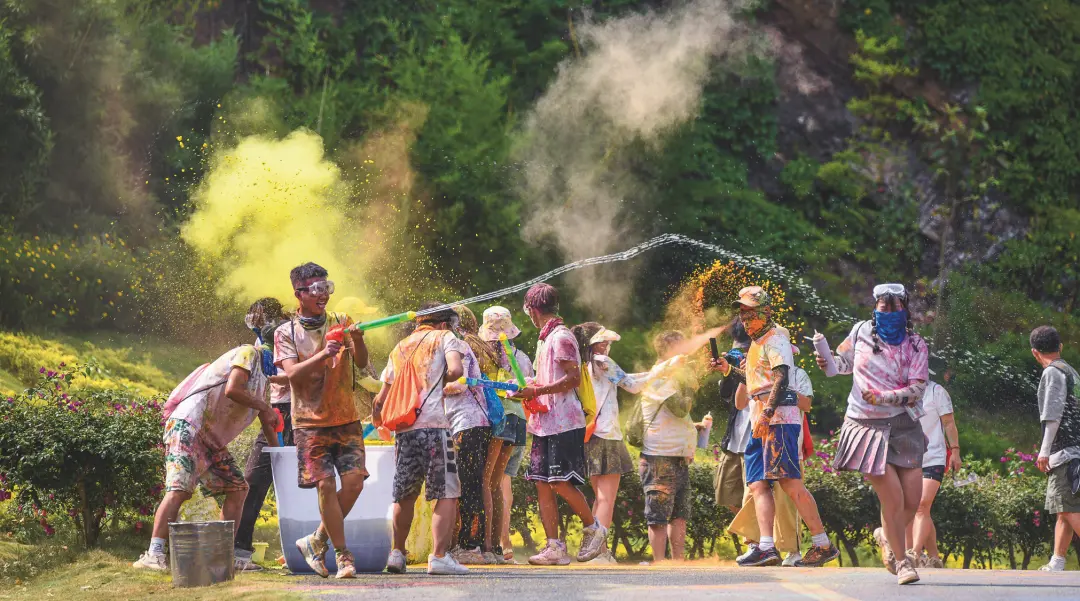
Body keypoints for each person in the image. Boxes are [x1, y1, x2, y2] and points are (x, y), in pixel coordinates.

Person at [133, 300, 281, 572]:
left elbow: (267, 417)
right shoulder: (248, 353)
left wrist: (279, 457)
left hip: (211, 439)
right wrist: (264, 407)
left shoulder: (268, 374)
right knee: (179, 490)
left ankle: (221, 556)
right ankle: (153, 554)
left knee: (238, 489)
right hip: (189, 426)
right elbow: (233, 390)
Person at [714, 288, 837, 569]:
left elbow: (781, 378)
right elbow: (756, 380)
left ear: (767, 311)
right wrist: (726, 369)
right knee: (757, 483)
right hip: (761, 418)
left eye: (751, 311)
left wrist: (768, 412)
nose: (745, 317)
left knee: (790, 483)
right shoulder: (756, 343)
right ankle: (766, 547)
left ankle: (823, 545)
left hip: (778, 418)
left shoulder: (776, 338)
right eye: (742, 312)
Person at [815, 283, 928, 585]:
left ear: (905, 309)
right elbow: (842, 365)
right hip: (865, 425)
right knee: (892, 499)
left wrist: (885, 397)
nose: (889, 313)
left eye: (895, 307)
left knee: (912, 500)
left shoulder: (916, 344)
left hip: (904, 424)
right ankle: (902, 562)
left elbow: (918, 389)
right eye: (883, 307)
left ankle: (886, 536)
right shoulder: (860, 332)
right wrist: (827, 362)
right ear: (875, 308)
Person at [276, 263, 370, 579]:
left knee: (355, 482)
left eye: (326, 288)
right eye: (315, 290)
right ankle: (344, 557)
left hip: (346, 416)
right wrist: (324, 354)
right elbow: (291, 374)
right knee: (326, 485)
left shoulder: (342, 321)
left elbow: (362, 362)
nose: (322, 296)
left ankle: (317, 538)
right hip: (309, 421)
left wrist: (357, 339)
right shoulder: (285, 332)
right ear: (299, 294)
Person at [515, 283, 608, 565]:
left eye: (528, 311)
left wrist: (538, 391)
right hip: (543, 422)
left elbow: (572, 379)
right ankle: (554, 547)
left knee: (559, 481)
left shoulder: (561, 337)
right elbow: (547, 379)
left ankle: (595, 528)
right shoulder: (544, 339)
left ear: (533, 310)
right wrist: (527, 387)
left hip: (565, 423)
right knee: (542, 483)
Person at [375, 302, 470, 576]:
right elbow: (455, 370)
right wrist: (439, 383)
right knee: (447, 491)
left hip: (404, 430)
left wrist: (379, 421)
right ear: (443, 323)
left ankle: (396, 553)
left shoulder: (401, 346)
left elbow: (381, 398)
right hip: (434, 427)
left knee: (405, 493)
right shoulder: (445, 337)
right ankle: (439, 556)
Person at [726, 343, 821, 567]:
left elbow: (806, 404)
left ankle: (792, 550)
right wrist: (745, 375)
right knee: (754, 491)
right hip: (759, 438)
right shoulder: (754, 374)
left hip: (787, 440)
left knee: (786, 497)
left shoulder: (798, 374)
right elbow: (740, 404)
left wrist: (778, 391)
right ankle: (760, 546)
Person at [572, 322, 649, 564]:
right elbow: (633, 386)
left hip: (591, 435)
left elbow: (626, 379)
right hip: (606, 436)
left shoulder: (587, 365)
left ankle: (597, 549)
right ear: (591, 345)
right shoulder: (601, 362)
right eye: (601, 341)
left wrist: (660, 370)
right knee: (606, 498)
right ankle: (597, 552)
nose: (606, 346)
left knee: (599, 497)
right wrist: (664, 372)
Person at [234, 298, 291, 571]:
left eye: (256, 315)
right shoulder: (259, 344)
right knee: (254, 480)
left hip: (300, 412)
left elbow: (311, 371)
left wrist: (287, 378)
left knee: (303, 482)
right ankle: (239, 551)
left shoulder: (291, 332)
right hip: (273, 412)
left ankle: (303, 547)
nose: (252, 320)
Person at [479, 306, 535, 564]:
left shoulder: (483, 356)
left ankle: (493, 543)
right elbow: (529, 386)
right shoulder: (520, 356)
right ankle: (506, 543)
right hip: (519, 420)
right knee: (505, 483)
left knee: (489, 480)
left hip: (496, 418)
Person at [638, 331, 699, 563]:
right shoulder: (659, 377)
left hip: (677, 456)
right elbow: (680, 409)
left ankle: (678, 562)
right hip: (659, 457)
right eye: (679, 348)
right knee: (658, 516)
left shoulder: (673, 378)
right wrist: (692, 386)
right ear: (665, 352)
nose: (685, 353)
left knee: (679, 515)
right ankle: (660, 564)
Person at [444, 306, 494, 565]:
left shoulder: (459, 346)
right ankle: (476, 546)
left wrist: (431, 387)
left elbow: (458, 383)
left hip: (469, 424)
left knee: (469, 484)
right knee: (470, 483)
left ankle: (470, 546)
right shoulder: (460, 345)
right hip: (469, 423)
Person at [1030, 326, 1080, 573]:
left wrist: (1044, 451)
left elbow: (1053, 414)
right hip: (1076, 451)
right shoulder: (1071, 372)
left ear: (1035, 352)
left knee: (1066, 506)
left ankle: (1057, 562)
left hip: (1065, 453)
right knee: (1066, 509)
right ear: (1060, 347)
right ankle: (1057, 562)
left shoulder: (1052, 372)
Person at [908, 379, 961, 568]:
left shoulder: (936, 391)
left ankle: (913, 553)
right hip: (907, 457)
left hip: (934, 456)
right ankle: (934, 557)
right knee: (913, 507)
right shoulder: (900, 389)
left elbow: (949, 423)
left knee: (921, 505)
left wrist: (955, 451)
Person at [714, 320, 752, 516]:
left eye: (745, 351)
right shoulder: (734, 365)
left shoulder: (770, 365)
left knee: (753, 495)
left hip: (754, 441)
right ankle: (757, 539)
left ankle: (761, 541)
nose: (740, 355)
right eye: (737, 351)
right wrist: (729, 372)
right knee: (725, 494)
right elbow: (727, 395)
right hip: (734, 440)